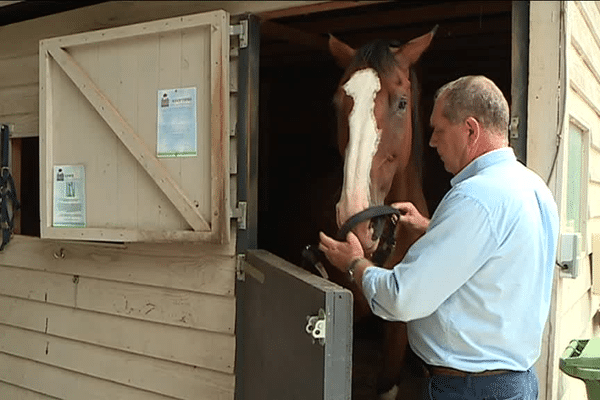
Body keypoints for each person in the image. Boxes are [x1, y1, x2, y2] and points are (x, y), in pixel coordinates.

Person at [319, 75, 559, 400]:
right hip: (514, 384)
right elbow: (499, 256)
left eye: (439, 130)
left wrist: (355, 264)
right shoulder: (532, 187)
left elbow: (402, 299)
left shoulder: (475, 199)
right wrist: (434, 229)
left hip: (469, 389)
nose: (432, 142)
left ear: (471, 130)